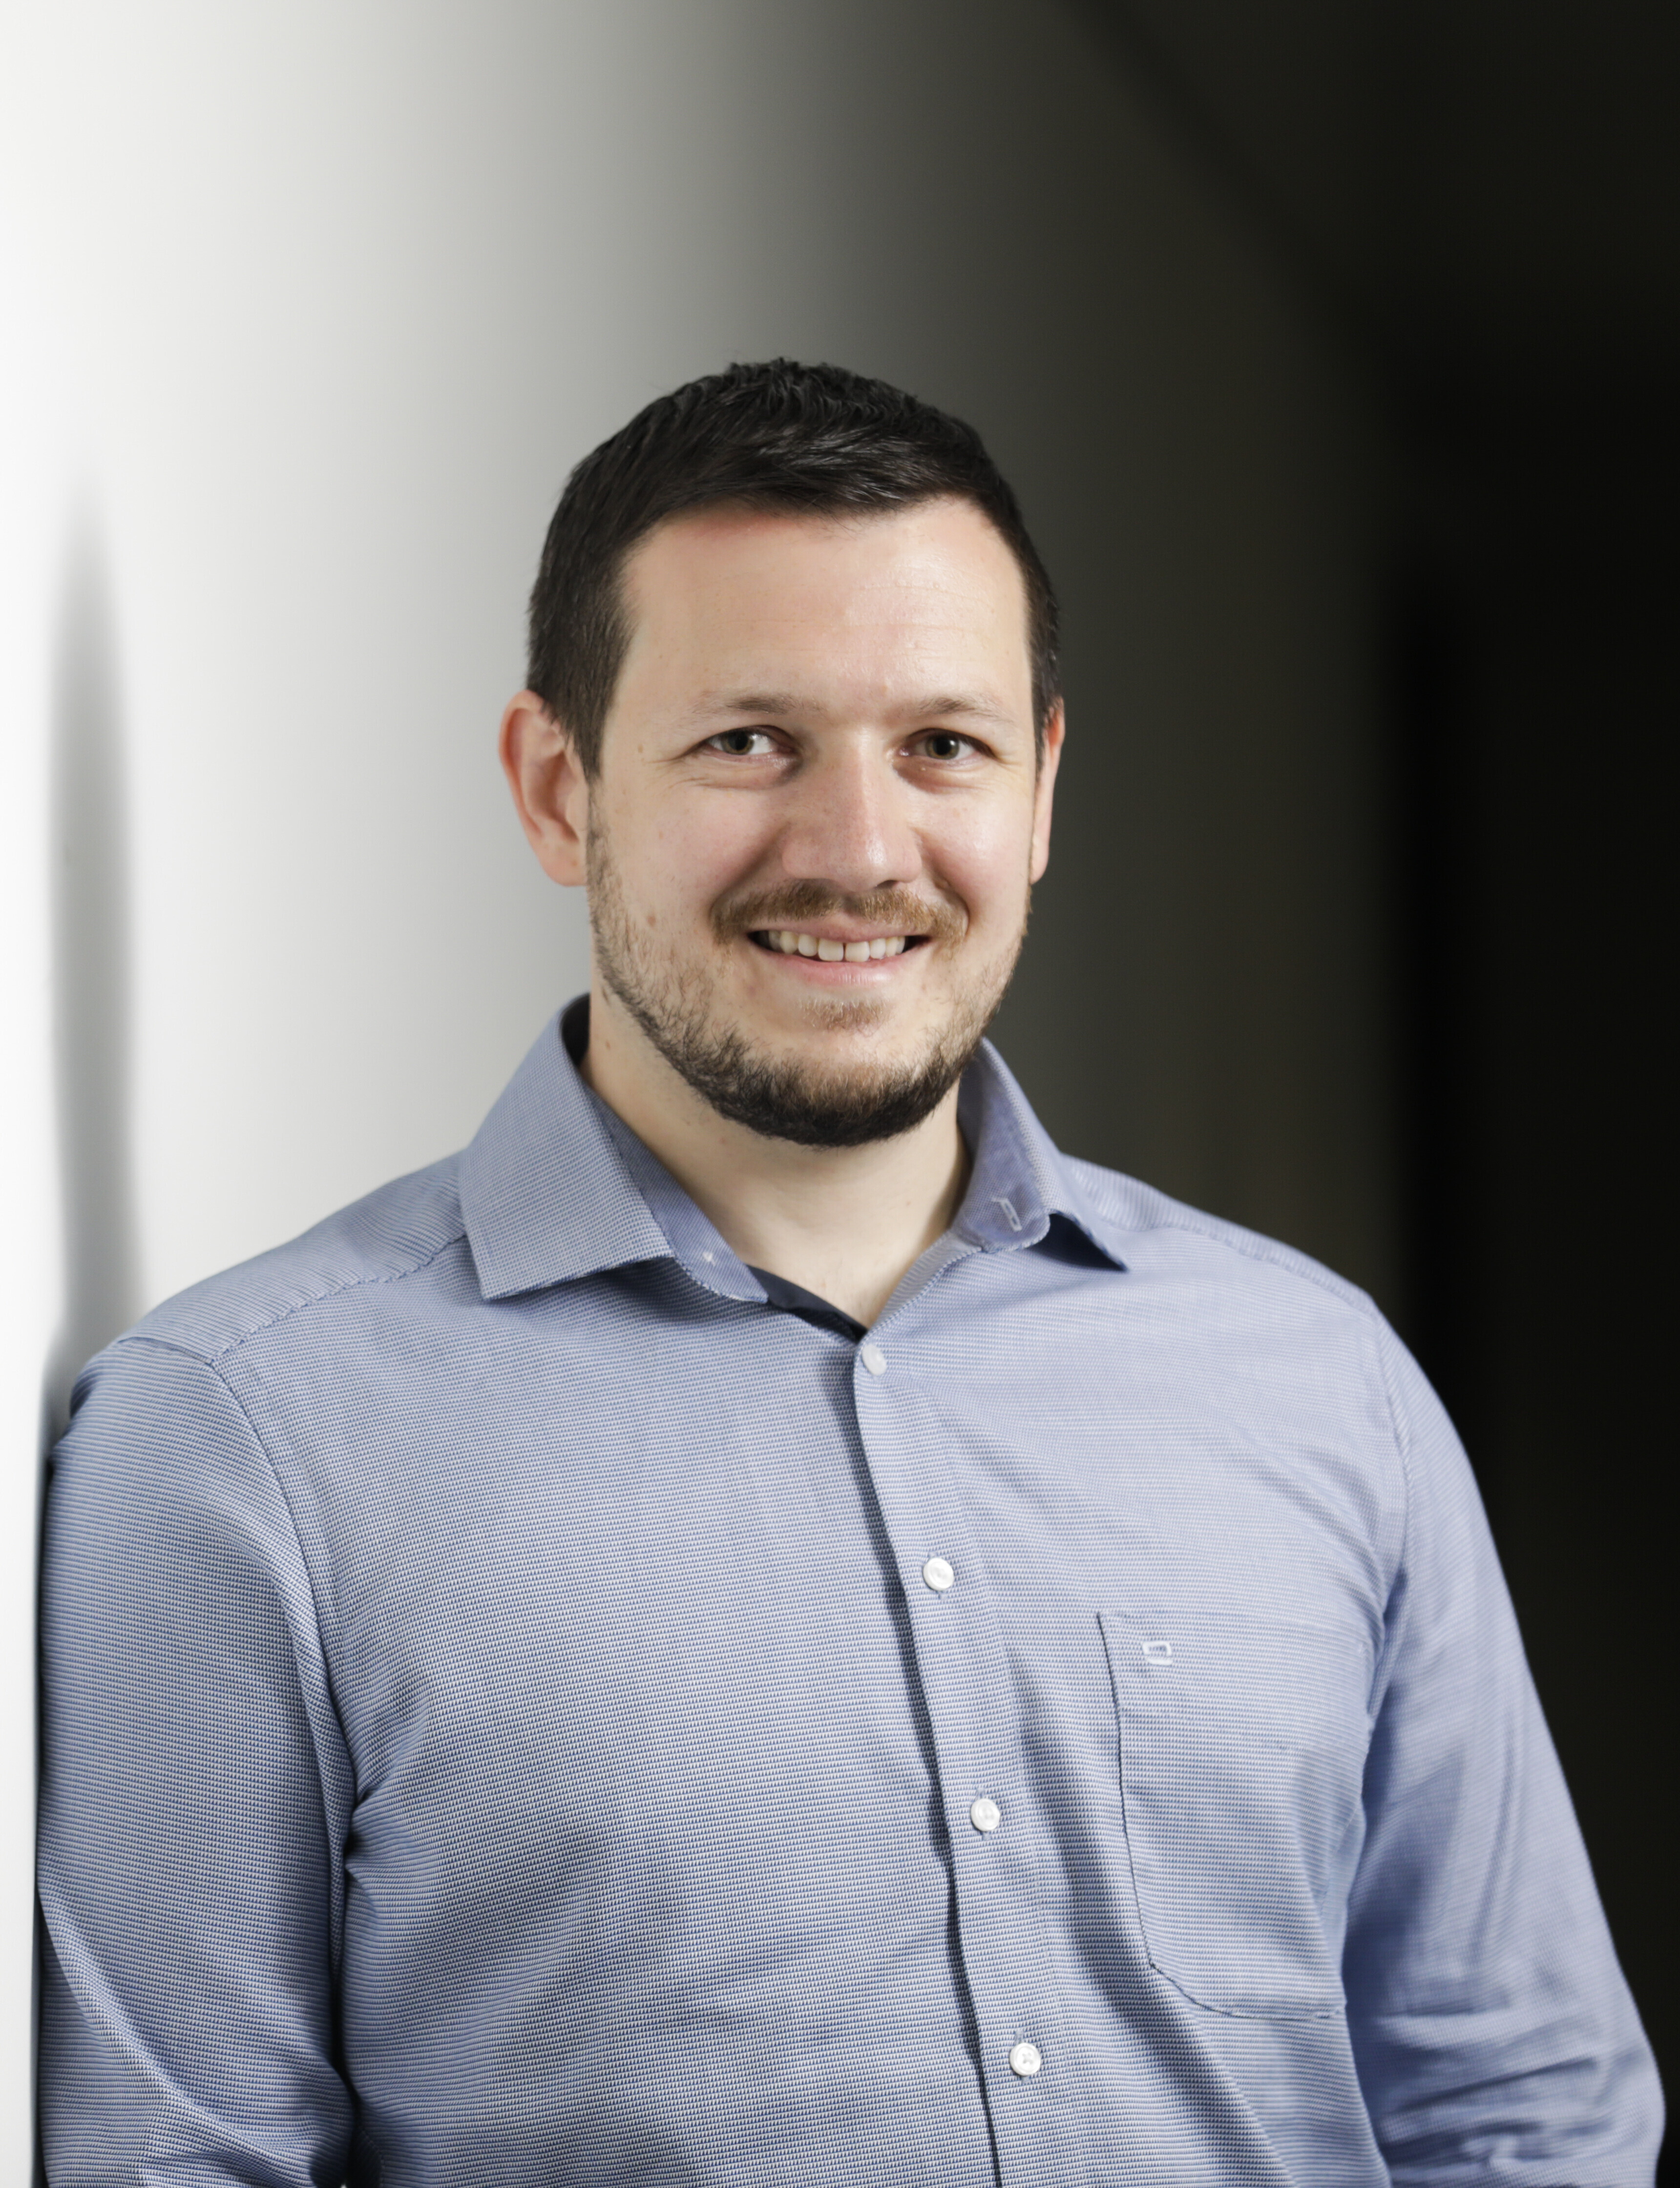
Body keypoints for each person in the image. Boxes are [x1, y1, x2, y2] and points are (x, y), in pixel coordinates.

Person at [39, 359, 1660, 2186]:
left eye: (942, 746)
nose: (860, 852)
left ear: (1041, 792)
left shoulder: (1320, 1381)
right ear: (561, 789)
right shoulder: (242, 1441)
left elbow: (1524, 2113)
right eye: (751, 741)